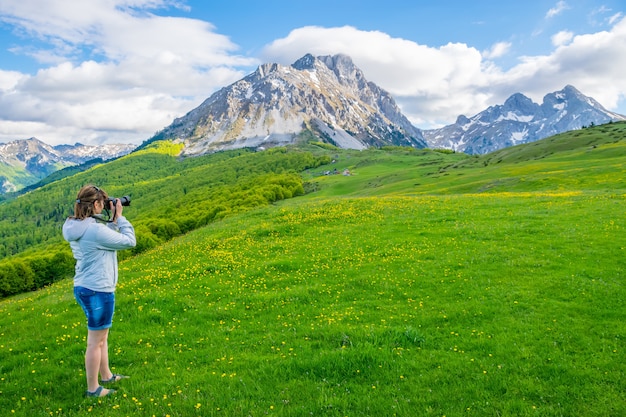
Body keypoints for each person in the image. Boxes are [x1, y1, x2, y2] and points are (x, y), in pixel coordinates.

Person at [62, 185, 136, 398]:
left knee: (101, 337)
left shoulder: (76, 225)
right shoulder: (94, 230)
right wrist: (120, 218)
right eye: (102, 203)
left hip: (85, 286)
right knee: (95, 341)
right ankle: (93, 389)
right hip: (98, 290)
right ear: (94, 205)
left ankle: (106, 376)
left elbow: (103, 238)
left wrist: (110, 221)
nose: (104, 206)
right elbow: (129, 241)